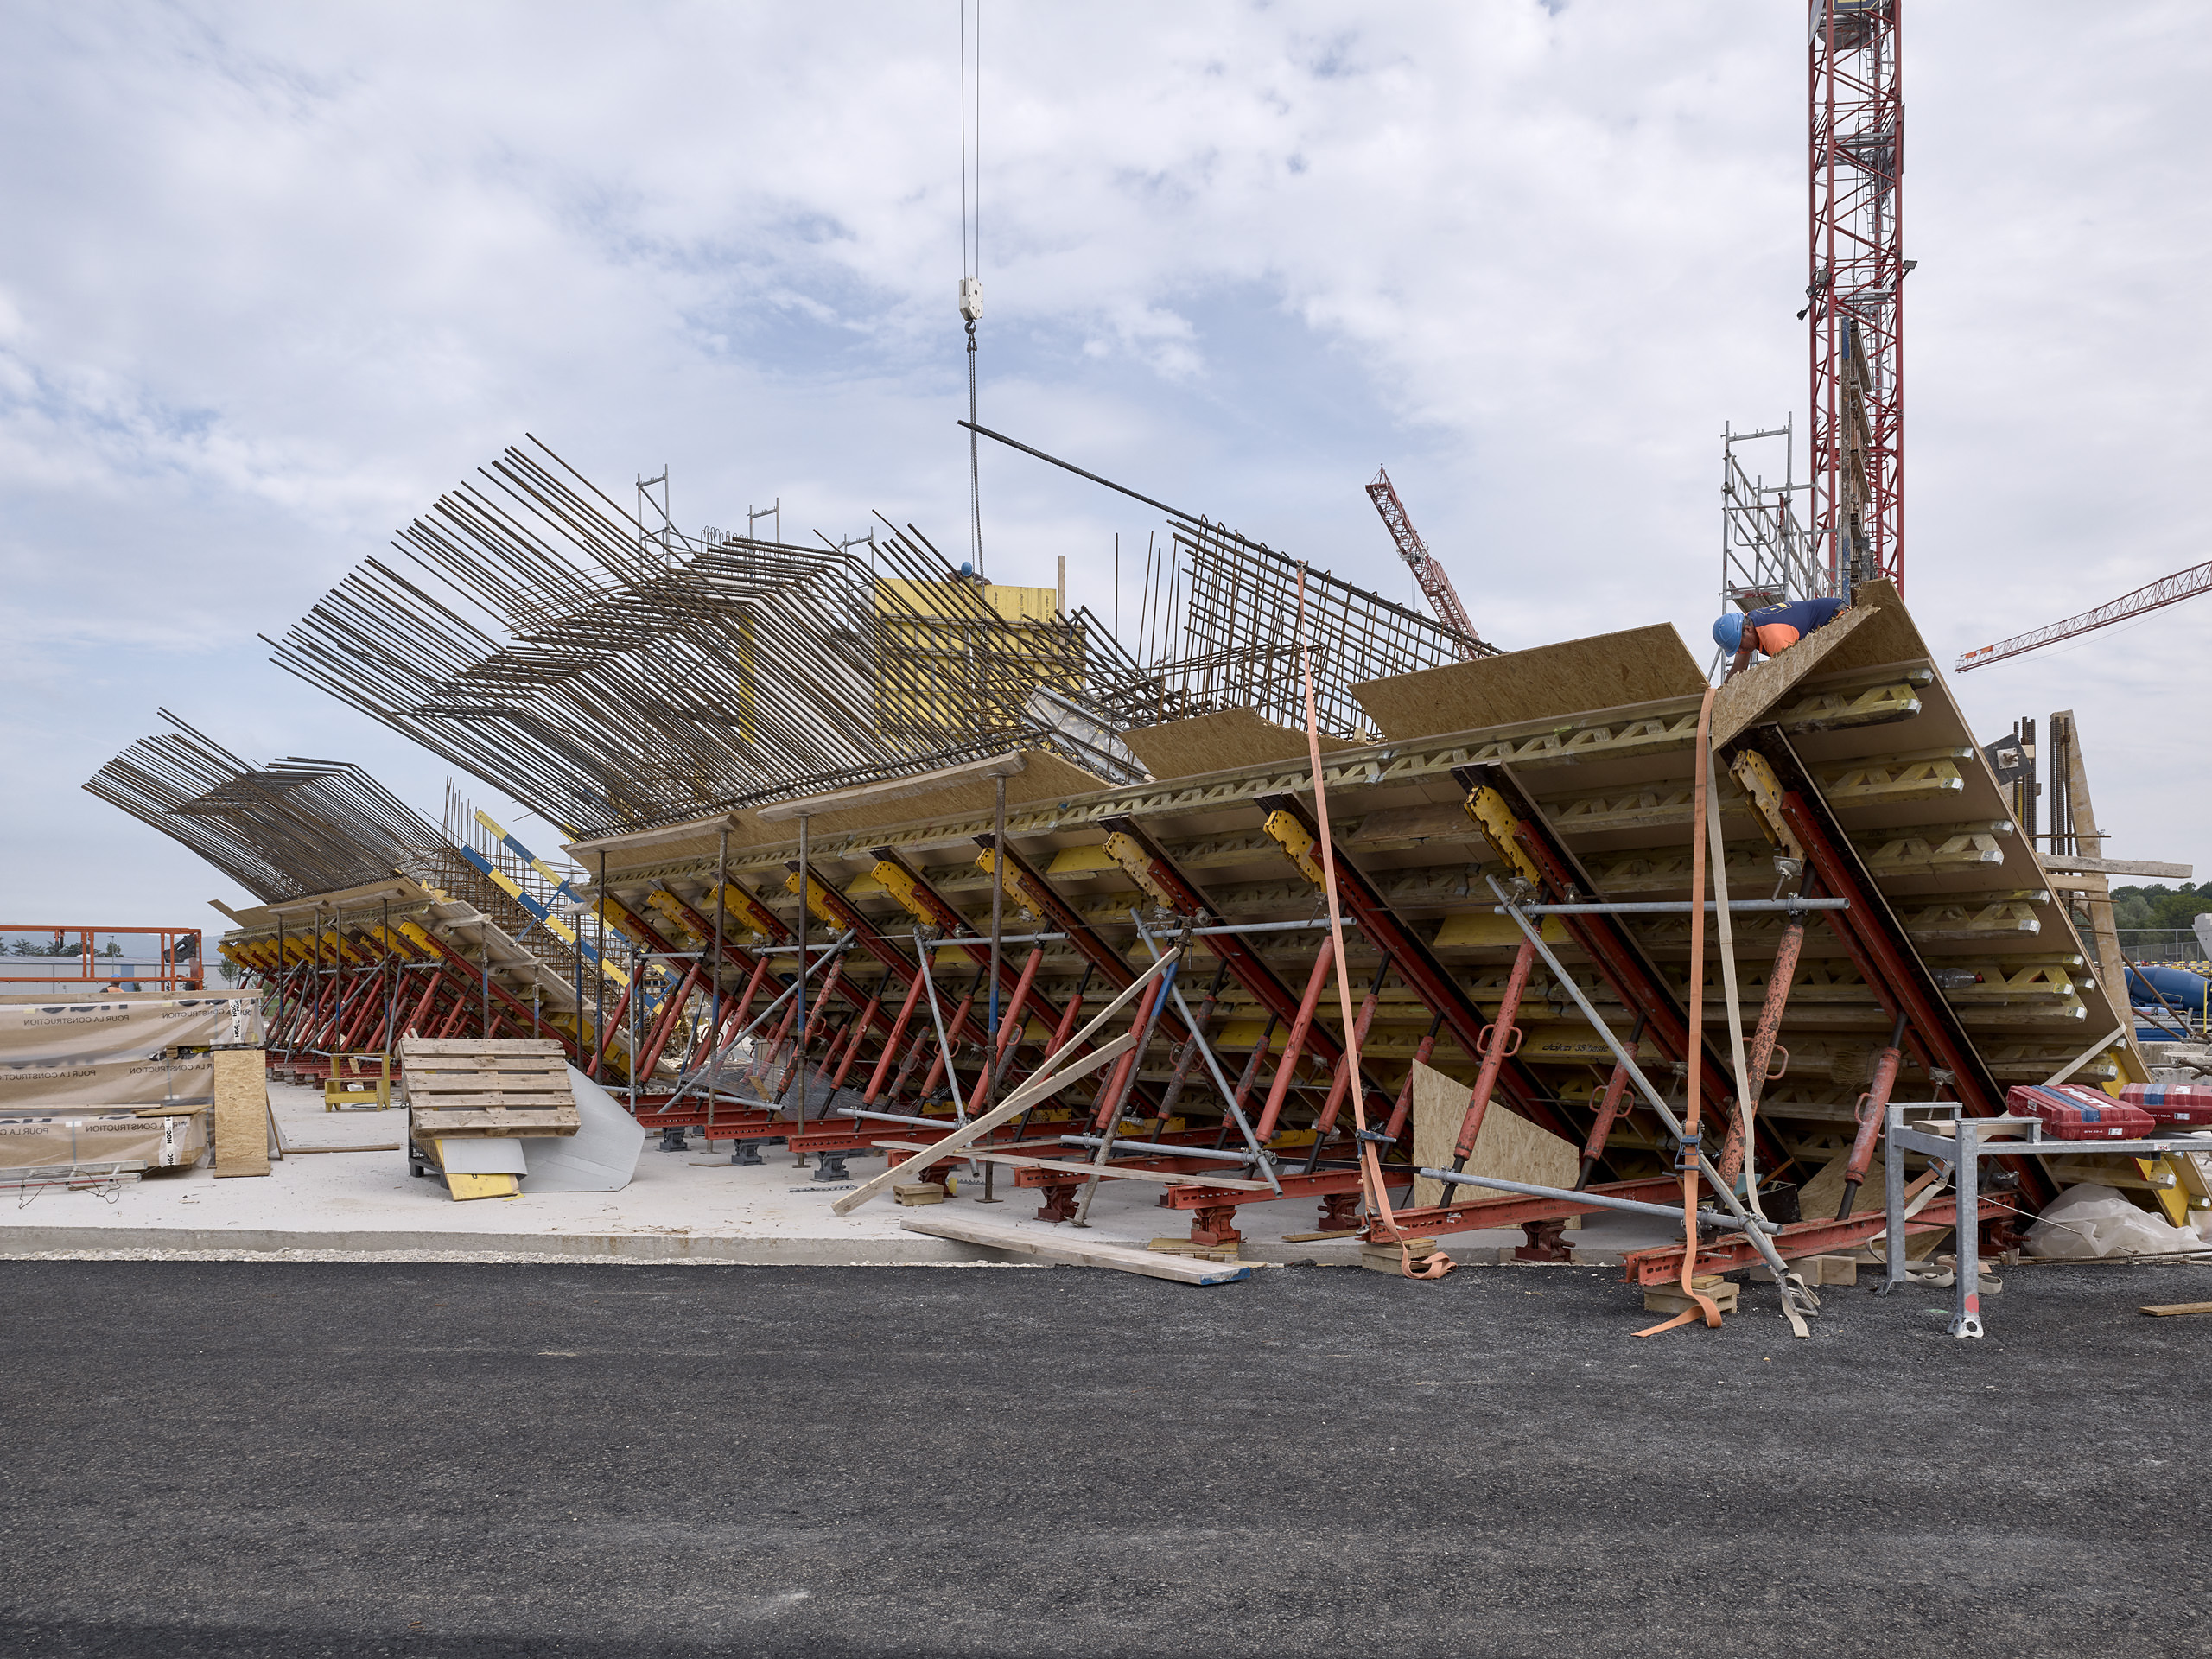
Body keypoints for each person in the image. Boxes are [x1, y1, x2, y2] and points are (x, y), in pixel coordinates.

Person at [1713, 595, 1851, 678]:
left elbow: (1793, 672)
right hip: (1820, 626)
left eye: (1739, 646)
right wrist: (1719, 696)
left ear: (1748, 630)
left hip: (1836, 619)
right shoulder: (1747, 624)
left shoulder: (1775, 638)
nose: (1740, 651)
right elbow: (1738, 668)